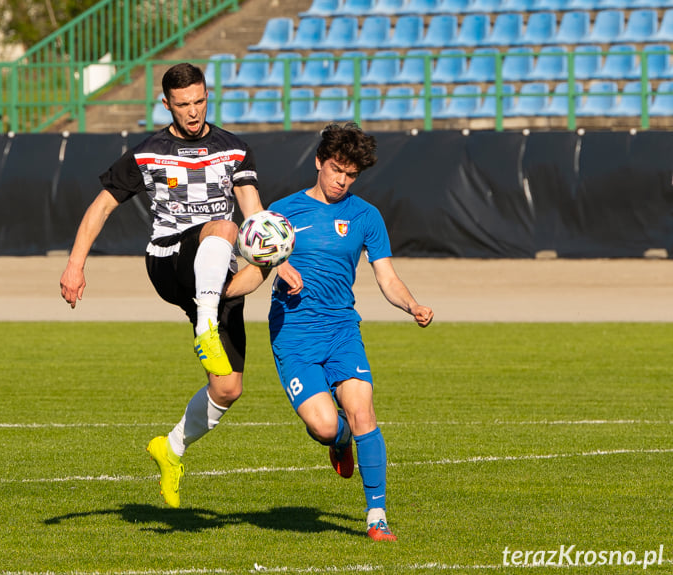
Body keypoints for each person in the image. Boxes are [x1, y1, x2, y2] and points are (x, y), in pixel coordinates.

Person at [59, 62, 301, 509]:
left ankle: (170, 449)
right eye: (183, 104)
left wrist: (276, 258)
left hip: (213, 270)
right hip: (168, 259)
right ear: (166, 103)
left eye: (200, 101)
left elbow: (254, 211)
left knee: (228, 387)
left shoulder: (234, 149)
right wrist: (75, 266)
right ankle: (206, 326)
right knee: (222, 228)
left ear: (208, 96)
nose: (193, 112)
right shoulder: (147, 152)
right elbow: (100, 208)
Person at [226, 123, 433, 541]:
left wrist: (412, 304)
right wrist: (222, 292)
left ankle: (377, 517)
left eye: (351, 174)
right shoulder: (284, 213)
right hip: (294, 334)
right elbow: (256, 273)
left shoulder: (366, 216)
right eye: (337, 169)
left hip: (341, 328)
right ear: (319, 162)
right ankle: (338, 441)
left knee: (364, 410)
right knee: (325, 426)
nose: (342, 180)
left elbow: (387, 278)